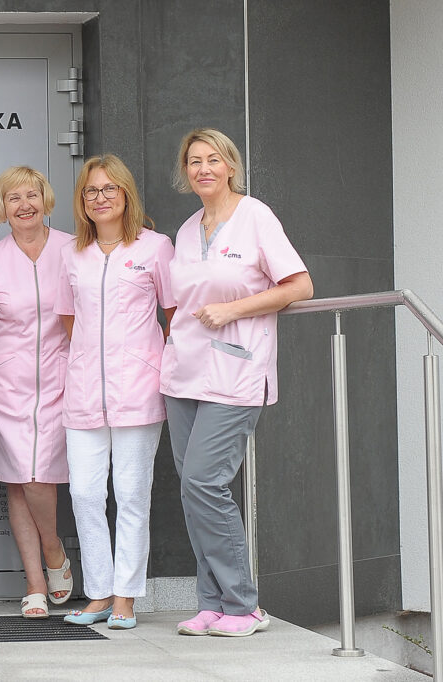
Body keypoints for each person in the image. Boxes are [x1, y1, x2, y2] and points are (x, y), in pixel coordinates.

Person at [161, 128, 312, 638]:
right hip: (184, 374)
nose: (203, 168)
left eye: (213, 159)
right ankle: (212, 604)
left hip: (236, 371)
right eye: (194, 161)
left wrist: (233, 310)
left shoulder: (255, 216)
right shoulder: (187, 229)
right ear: (186, 172)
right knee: (193, 491)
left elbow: (300, 285)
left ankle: (244, 605)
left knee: (205, 482)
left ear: (230, 166)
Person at [55, 154, 175, 630]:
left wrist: (146, 360)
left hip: (138, 389)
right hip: (84, 390)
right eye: (91, 190)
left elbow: (174, 313)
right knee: (84, 494)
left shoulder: (156, 247)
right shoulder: (72, 253)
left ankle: (125, 596)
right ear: (81, 201)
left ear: (126, 194)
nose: (100, 197)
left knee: (131, 494)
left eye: (109, 189)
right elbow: (70, 319)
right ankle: (99, 593)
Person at [0, 166, 75, 619]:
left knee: (39, 474)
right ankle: (36, 581)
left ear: (45, 199)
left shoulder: (73, 250)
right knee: (17, 479)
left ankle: (52, 550)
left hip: (61, 376)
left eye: (31, 195)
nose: (24, 205)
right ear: (2, 207)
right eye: (13, 198)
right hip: (7, 382)